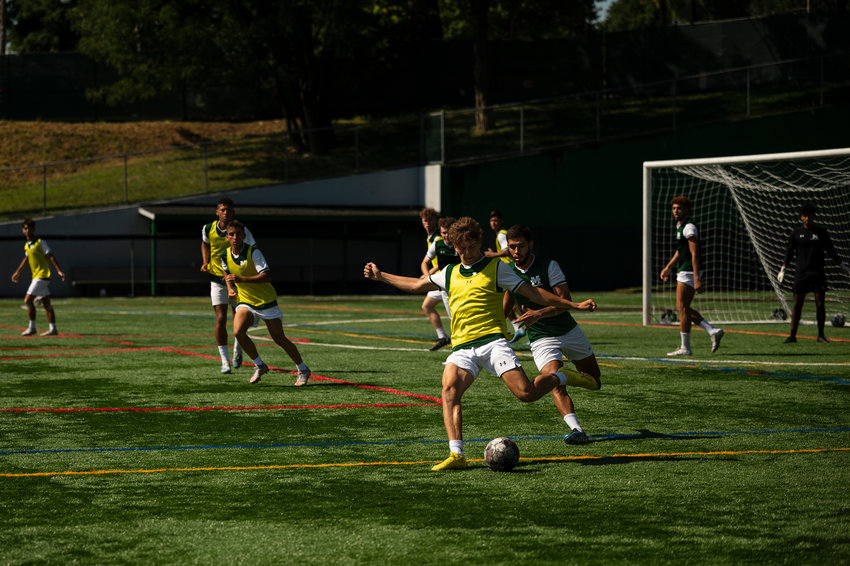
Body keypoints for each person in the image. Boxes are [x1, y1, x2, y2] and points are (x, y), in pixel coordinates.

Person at [364, 216, 599, 471]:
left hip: (493, 342)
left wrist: (572, 305)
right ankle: (457, 455)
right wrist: (381, 276)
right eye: (461, 248)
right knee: (449, 390)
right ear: (454, 247)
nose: (466, 253)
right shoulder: (449, 272)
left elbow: (534, 293)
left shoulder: (498, 268)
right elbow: (416, 285)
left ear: (478, 242)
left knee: (526, 394)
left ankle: (563, 377)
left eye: (471, 247)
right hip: (462, 347)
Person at [502, 225, 601, 445]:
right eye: (511, 247)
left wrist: (539, 313)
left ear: (530, 245)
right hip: (540, 338)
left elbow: (564, 302)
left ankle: (568, 375)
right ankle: (577, 430)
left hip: (568, 331)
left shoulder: (549, 265)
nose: (516, 251)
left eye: (520, 246)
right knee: (554, 381)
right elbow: (505, 306)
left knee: (595, 380)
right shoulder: (509, 271)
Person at [221, 220, 311, 386]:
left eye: (238, 234)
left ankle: (303, 369)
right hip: (246, 301)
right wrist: (230, 288)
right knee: (238, 332)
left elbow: (267, 276)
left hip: (265, 301)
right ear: (226, 237)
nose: (235, 237)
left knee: (279, 338)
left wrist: (241, 279)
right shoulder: (224, 255)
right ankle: (259, 365)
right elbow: (226, 271)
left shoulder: (254, 253)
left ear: (244, 235)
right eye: (231, 234)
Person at [659, 195, 724, 356]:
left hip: (689, 271)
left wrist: (696, 278)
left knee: (682, 308)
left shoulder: (689, 227)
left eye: (679, 208)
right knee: (684, 308)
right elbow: (680, 252)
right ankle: (712, 331)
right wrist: (668, 267)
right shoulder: (680, 226)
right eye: (673, 208)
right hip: (683, 269)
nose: (675, 211)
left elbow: (694, 254)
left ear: (686, 209)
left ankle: (686, 347)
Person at [778, 202, 849, 343]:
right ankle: (792, 335)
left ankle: (821, 335)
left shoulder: (821, 233)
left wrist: (843, 266)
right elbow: (789, 252)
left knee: (820, 304)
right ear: (801, 217)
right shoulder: (796, 233)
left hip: (817, 272)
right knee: (797, 304)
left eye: (810, 216)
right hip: (801, 273)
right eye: (805, 216)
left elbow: (831, 251)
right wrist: (783, 269)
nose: (807, 218)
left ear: (814, 216)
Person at [201, 197, 255, 374]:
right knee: (220, 318)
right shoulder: (208, 228)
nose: (226, 212)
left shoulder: (241, 230)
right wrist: (205, 261)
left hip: (237, 280)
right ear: (217, 212)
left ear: (233, 212)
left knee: (238, 319)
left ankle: (237, 349)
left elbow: (252, 249)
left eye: (229, 210)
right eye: (222, 209)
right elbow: (205, 244)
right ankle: (224, 361)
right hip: (217, 279)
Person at [10, 218, 65, 336]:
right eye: (25, 228)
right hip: (36, 276)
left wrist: (59, 270)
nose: (27, 230)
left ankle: (32, 327)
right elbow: (26, 259)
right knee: (47, 304)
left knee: (27, 300)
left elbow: (50, 255)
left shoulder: (40, 242)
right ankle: (53, 329)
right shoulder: (27, 245)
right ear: (22, 230)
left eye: (29, 228)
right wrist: (17, 272)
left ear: (33, 229)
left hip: (42, 276)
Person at [483, 209, 525, 342]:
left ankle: (522, 327)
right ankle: (519, 327)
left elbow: (507, 252)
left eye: (496, 220)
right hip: (509, 271)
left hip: (509, 271)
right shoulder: (501, 234)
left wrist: (491, 255)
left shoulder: (502, 235)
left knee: (510, 302)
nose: (493, 223)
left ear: (501, 221)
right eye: (491, 221)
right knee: (511, 302)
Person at [421, 216, 460, 351]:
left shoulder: (461, 245)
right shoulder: (437, 243)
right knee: (427, 305)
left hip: (457, 286)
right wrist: (428, 278)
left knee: (456, 318)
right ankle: (443, 337)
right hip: (441, 283)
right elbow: (424, 262)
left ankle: (460, 348)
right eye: (444, 232)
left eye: (449, 232)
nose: (446, 235)